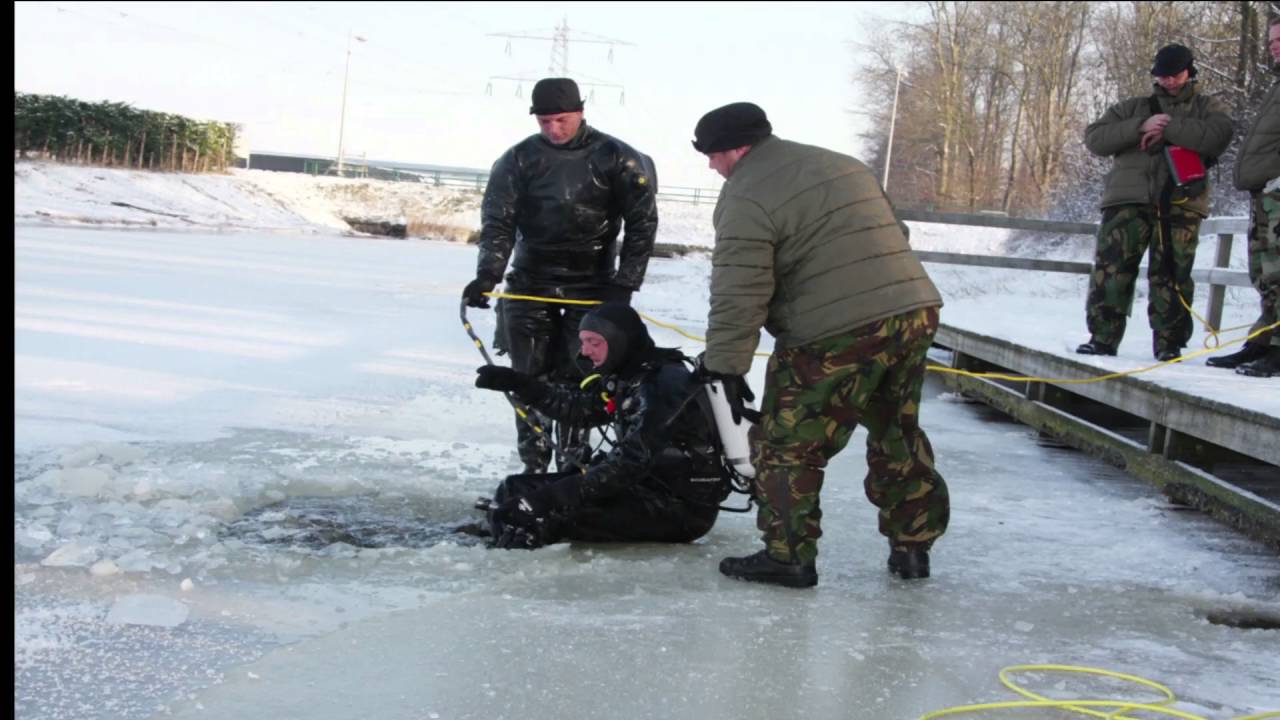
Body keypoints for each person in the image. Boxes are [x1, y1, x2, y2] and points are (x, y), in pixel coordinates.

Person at [690, 102, 949, 588]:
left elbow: (740, 290)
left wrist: (724, 367)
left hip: (832, 330)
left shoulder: (746, 196)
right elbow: (895, 233)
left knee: (787, 445)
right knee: (897, 429)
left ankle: (788, 556)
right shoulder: (843, 165)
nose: (711, 166)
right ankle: (913, 547)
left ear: (737, 149)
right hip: (912, 311)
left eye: (713, 155)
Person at [462, 77, 659, 473]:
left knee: (580, 381)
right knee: (526, 379)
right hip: (529, 285)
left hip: (592, 288)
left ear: (581, 112)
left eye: (562, 119)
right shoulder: (517, 160)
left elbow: (643, 224)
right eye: (545, 121)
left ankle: (573, 470)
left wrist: (625, 283)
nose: (554, 129)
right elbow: (498, 221)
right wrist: (487, 275)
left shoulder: (617, 157)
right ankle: (534, 468)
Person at [474, 303, 729, 549]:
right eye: (583, 341)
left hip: (677, 508)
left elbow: (629, 463)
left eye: (594, 343)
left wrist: (549, 498)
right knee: (515, 488)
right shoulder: (628, 373)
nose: (584, 352)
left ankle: (508, 561)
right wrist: (520, 383)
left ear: (620, 341)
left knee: (547, 515)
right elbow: (580, 409)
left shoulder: (664, 385)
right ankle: (493, 533)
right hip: (638, 488)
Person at [1077, 44, 1234, 361]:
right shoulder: (1132, 107)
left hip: (1181, 200)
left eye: (1175, 75)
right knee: (1112, 269)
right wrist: (1140, 127)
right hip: (1127, 199)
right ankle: (1102, 338)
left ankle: (1169, 344)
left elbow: (1218, 136)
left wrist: (1168, 129)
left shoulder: (1208, 106)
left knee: (1172, 273)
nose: (1169, 82)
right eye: (1163, 77)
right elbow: (1095, 138)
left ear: (1190, 71)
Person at [1208, 19, 1280, 378]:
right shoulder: (1276, 85)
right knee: (1264, 274)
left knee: (1279, 272)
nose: (1274, 46)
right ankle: (1264, 341)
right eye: (1271, 41)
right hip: (1264, 194)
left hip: (1277, 191)